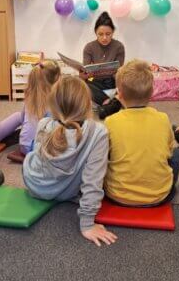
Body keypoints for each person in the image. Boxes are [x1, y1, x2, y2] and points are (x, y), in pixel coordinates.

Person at [23, 76, 117, 247]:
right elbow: (93, 181)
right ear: (88, 104)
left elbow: (39, 161)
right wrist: (87, 225)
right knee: (98, 170)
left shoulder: (44, 123)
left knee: (32, 154)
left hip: (35, 186)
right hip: (67, 192)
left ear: (52, 105)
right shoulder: (99, 132)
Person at [104, 60, 179, 206]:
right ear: (152, 92)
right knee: (177, 153)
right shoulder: (163, 119)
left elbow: (104, 155)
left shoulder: (110, 121)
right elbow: (169, 152)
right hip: (159, 196)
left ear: (119, 95)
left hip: (117, 195)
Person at [82, 12, 125, 119]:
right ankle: (110, 102)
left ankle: (108, 103)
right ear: (95, 33)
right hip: (95, 82)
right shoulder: (89, 47)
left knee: (128, 84)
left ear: (113, 32)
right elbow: (86, 70)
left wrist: (118, 78)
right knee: (83, 85)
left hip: (112, 80)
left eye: (108, 34)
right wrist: (84, 75)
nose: (104, 38)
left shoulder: (119, 46)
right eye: (100, 34)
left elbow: (119, 70)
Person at [19, 61, 61, 155]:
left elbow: (22, 119)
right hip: (39, 148)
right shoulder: (54, 101)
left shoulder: (29, 98)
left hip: (23, 145)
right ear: (56, 79)